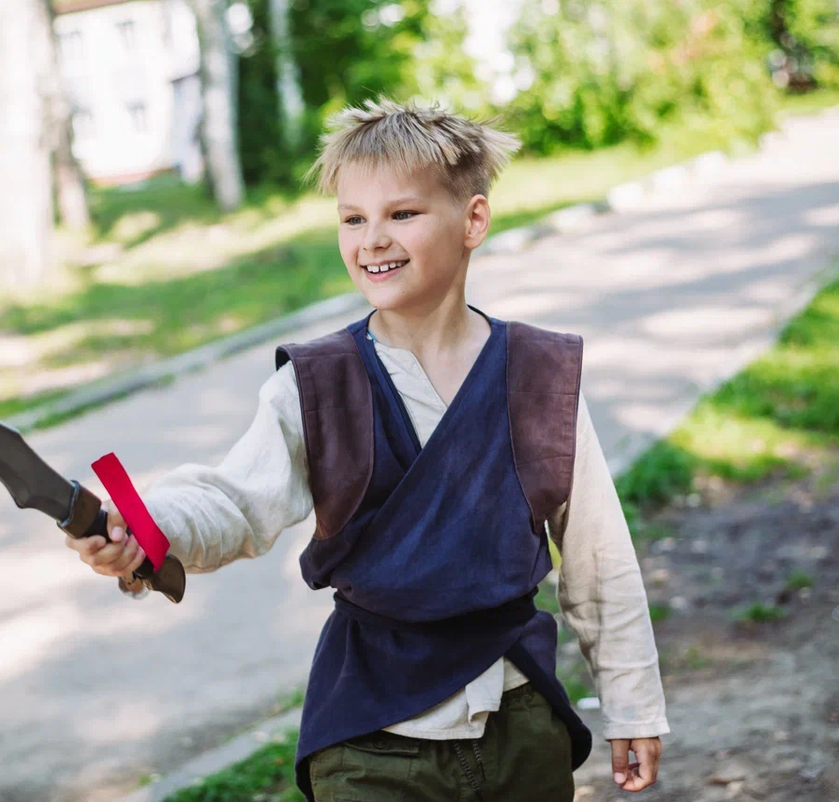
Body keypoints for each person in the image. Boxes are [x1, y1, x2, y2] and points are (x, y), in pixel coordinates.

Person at [65, 97, 669, 801]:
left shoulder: (538, 376)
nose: (372, 239)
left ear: (473, 220)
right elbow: (232, 500)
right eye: (353, 219)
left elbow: (599, 557)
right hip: (371, 743)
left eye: (401, 214)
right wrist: (151, 525)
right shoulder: (319, 384)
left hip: (519, 724)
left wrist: (633, 704)